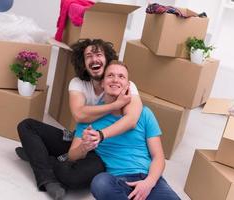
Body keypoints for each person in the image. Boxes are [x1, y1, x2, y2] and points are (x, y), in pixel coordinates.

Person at [15, 39, 142, 200]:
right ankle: (47, 179)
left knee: (74, 178)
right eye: (88, 56)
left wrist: (100, 134)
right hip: (79, 138)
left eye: (98, 54)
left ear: (107, 59)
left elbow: (132, 119)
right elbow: (79, 115)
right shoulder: (78, 83)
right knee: (27, 126)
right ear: (83, 62)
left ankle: (38, 157)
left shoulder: (124, 83)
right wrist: (115, 105)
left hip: (104, 148)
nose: (94, 59)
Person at [69, 61, 180, 200]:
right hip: (117, 181)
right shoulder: (90, 118)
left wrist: (149, 183)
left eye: (121, 76)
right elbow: (72, 155)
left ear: (128, 86)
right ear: (102, 83)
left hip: (147, 179)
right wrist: (84, 148)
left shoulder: (144, 114)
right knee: (99, 183)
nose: (115, 79)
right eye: (110, 75)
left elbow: (158, 157)